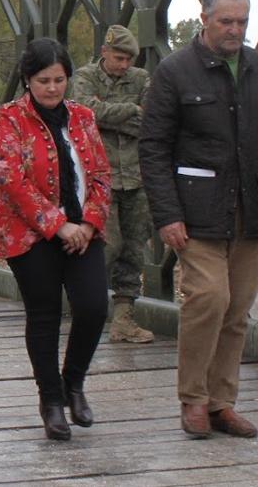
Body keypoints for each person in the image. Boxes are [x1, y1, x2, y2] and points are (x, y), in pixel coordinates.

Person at [139, 0, 258, 440]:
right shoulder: (175, 72)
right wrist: (166, 214)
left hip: (251, 209)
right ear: (205, 19)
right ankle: (193, 399)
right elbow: (152, 148)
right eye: (226, 21)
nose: (235, 30)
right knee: (207, 299)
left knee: (237, 309)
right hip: (196, 213)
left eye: (242, 22)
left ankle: (222, 402)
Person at [0, 37, 112, 442]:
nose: (53, 88)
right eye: (43, 80)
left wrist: (90, 224)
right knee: (43, 315)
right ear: (27, 80)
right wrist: (58, 224)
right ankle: (52, 402)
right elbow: (11, 180)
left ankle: (73, 382)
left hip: (82, 231)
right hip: (30, 234)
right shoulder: (9, 118)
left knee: (94, 306)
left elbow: (101, 176)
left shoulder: (83, 118)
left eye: (60, 80)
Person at [68, 25, 156, 344]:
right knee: (107, 246)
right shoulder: (85, 76)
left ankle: (124, 320)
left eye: (129, 59)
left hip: (136, 176)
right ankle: (86, 308)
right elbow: (84, 114)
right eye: (119, 58)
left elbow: (151, 120)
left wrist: (107, 118)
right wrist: (131, 110)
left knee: (134, 249)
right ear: (104, 52)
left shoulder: (142, 79)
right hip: (99, 177)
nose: (124, 65)